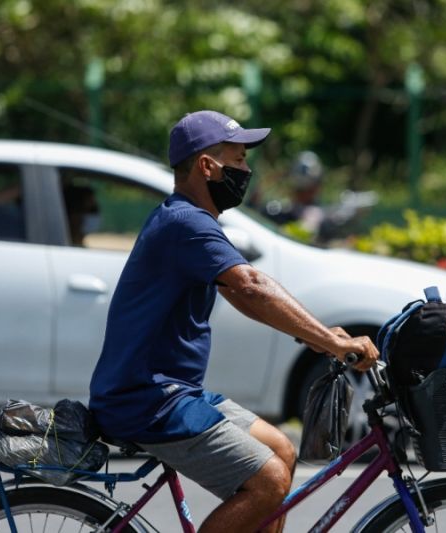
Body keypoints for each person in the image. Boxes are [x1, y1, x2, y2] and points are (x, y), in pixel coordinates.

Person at [89, 110, 379, 532]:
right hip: (148, 399)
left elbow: (237, 292)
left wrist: (319, 335)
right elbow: (251, 286)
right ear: (207, 166)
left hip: (170, 391)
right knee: (269, 481)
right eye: (239, 160)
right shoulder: (186, 223)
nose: (247, 170)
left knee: (282, 451)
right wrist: (331, 343)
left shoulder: (186, 218)